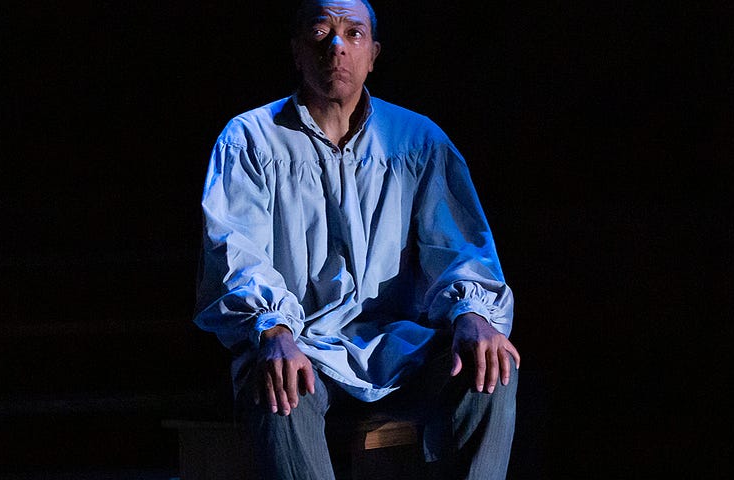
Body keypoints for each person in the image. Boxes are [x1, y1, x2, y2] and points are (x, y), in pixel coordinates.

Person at [193, 0, 520, 478]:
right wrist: (274, 329)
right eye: (321, 32)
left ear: (373, 54)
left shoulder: (418, 141)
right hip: (301, 345)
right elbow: (235, 253)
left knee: (491, 367)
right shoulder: (251, 140)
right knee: (280, 385)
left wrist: (473, 312)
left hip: (398, 350)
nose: (337, 48)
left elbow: (458, 248)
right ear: (297, 51)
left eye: (353, 34)